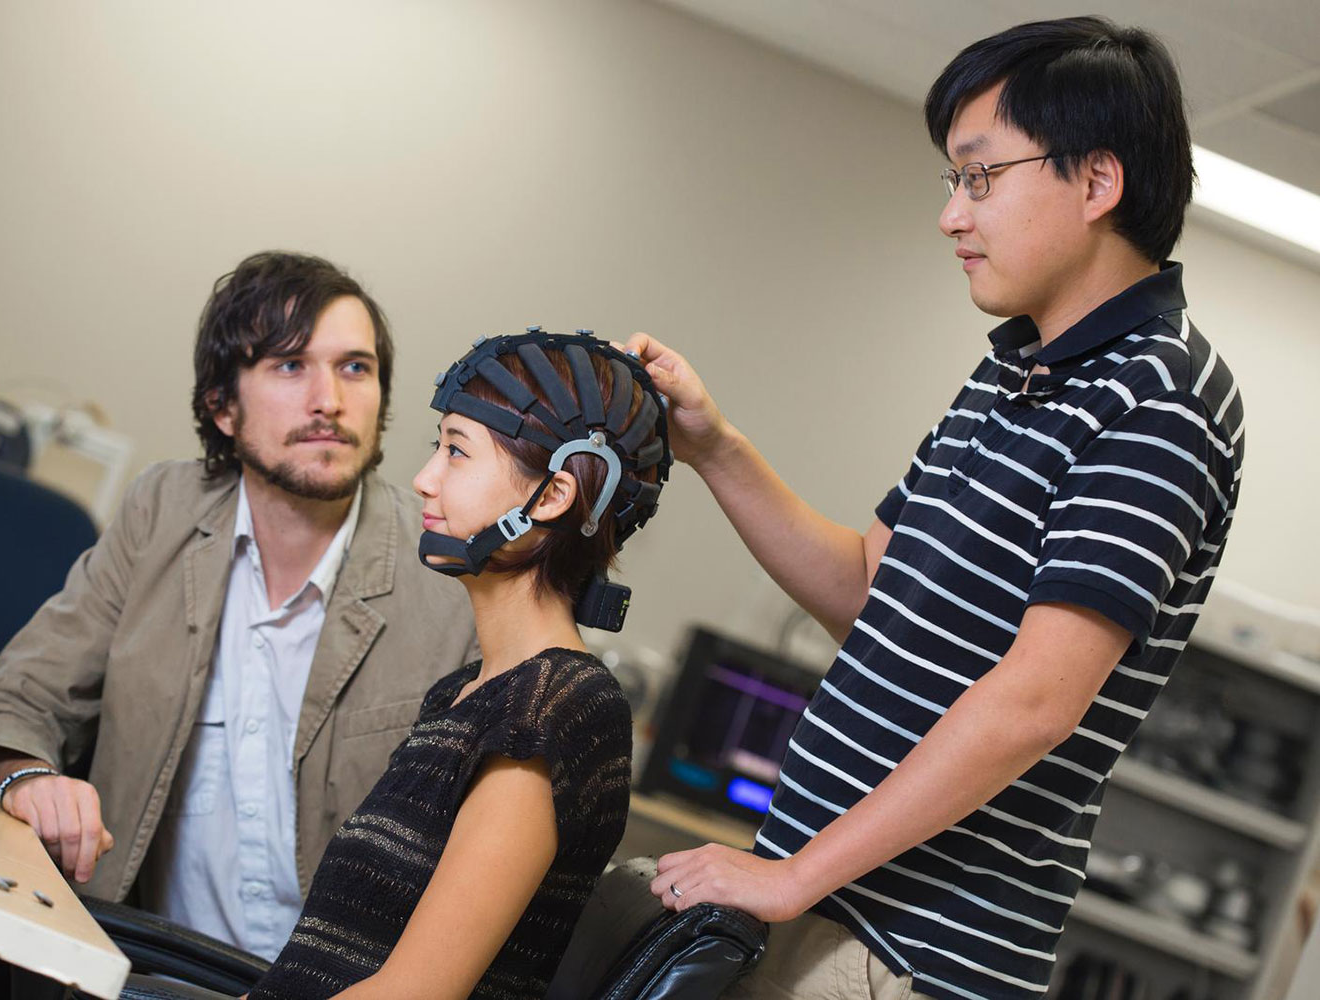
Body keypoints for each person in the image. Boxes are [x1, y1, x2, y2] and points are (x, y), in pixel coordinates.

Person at [632, 17, 1243, 1000]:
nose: (952, 216)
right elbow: (869, 592)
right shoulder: (1016, 371)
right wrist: (715, 448)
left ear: (1096, 182)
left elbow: (1037, 700)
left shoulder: (1161, 398)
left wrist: (796, 876)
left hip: (914, 949)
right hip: (830, 897)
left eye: (979, 177)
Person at [0, 252, 477, 960]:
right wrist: (29, 776)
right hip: (139, 962)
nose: (330, 400)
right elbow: (15, 696)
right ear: (222, 407)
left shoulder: (453, 576)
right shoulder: (163, 510)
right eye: (290, 366)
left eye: (355, 367)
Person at [247, 330, 671, 999]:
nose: (424, 478)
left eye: (455, 451)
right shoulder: (468, 692)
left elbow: (414, 994)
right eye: (435, 447)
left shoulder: (550, 710)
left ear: (553, 496)